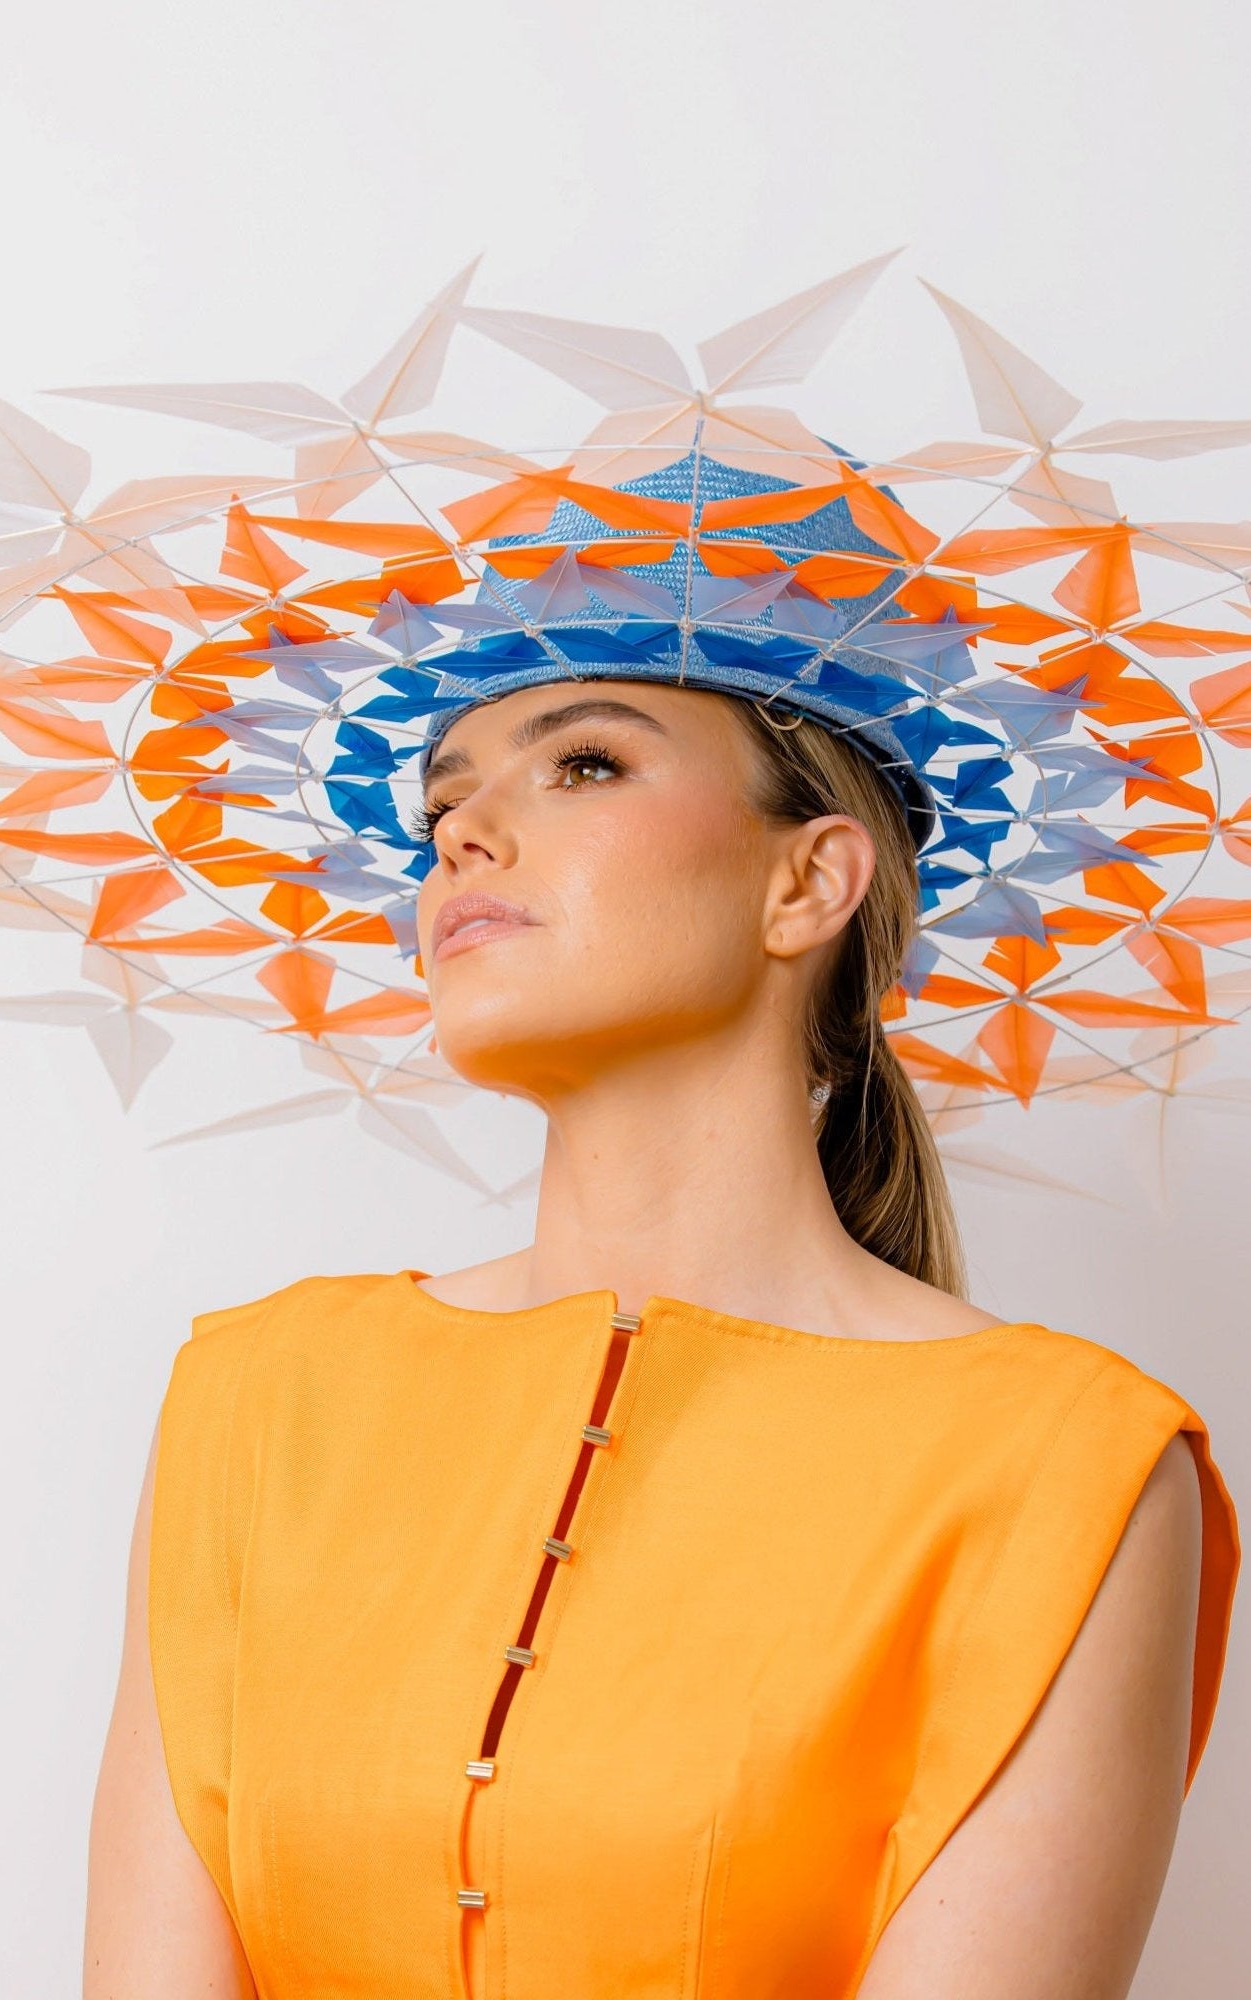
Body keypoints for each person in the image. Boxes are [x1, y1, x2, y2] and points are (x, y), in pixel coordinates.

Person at [82, 459, 1239, 1999]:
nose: (461, 836)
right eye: (442, 803)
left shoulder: (1071, 1469)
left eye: (582, 766)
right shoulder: (251, 1397)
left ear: (807, 878)